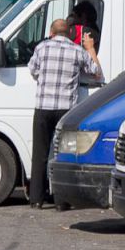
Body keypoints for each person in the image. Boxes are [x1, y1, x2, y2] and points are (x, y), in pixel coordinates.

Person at [27, 18, 102, 209]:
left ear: (52, 32)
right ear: (69, 33)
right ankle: (61, 200)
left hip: (43, 107)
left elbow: (33, 71)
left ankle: (36, 199)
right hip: (66, 110)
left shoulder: (41, 48)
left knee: (40, 153)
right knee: (61, 154)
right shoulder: (77, 51)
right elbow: (96, 73)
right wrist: (90, 48)